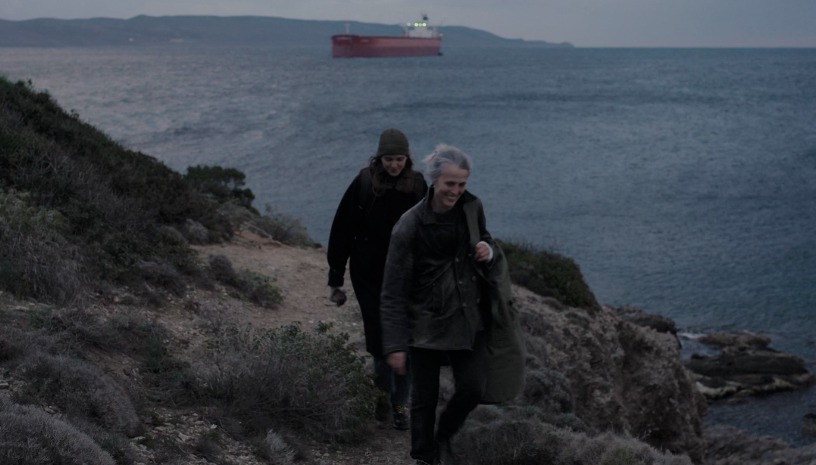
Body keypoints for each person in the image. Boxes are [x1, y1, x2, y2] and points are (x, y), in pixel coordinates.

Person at [380, 143, 510, 465]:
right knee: (424, 399)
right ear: (434, 180)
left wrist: (486, 250)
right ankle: (425, 456)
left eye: (462, 184)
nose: (456, 191)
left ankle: (443, 437)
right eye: (450, 184)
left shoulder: (472, 207)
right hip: (426, 322)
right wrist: (395, 344)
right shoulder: (409, 226)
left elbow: (486, 238)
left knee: (472, 389)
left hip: (469, 316)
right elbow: (392, 291)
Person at [326, 128, 427, 430]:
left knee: (406, 341)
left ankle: (400, 404)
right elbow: (342, 231)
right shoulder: (364, 184)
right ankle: (381, 397)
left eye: (398, 159)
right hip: (368, 274)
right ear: (379, 158)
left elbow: (431, 231)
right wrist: (336, 279)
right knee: (382, 341)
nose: (394, 165)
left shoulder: (418, 186)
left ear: (407, 158)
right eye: (388, 159)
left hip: (406, 277)